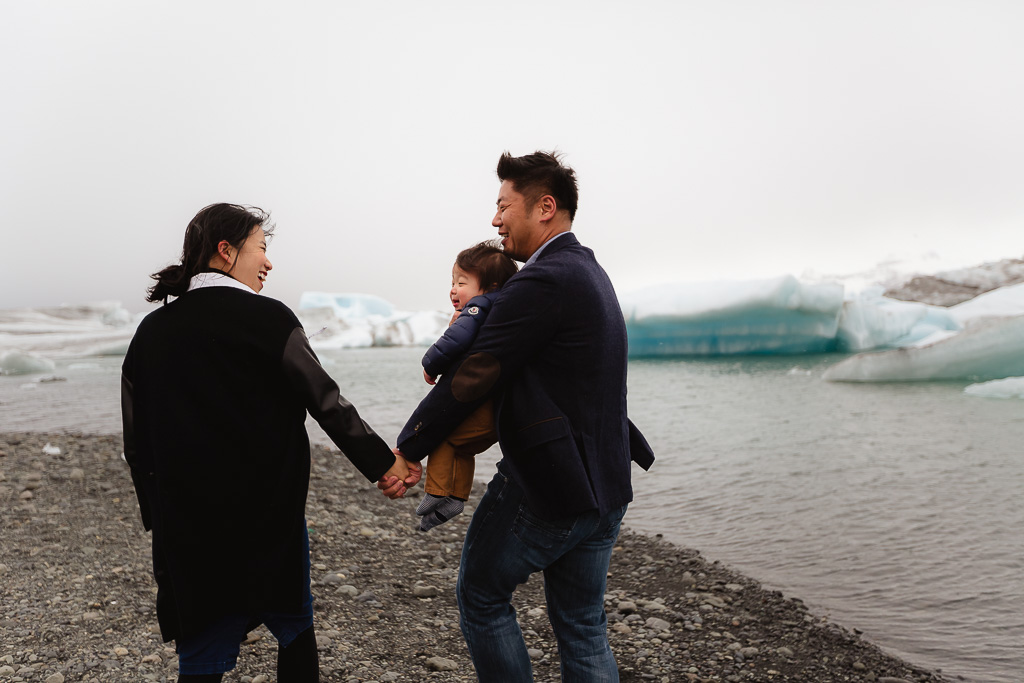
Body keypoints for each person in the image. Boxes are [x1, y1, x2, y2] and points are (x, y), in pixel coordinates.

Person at [382, 152, 655, 682]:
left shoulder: (544, 282)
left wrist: (408, 446)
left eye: (505, 206)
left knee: (482, 595)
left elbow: (473, 375)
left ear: (545, 208)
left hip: (551, 487)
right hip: (606, 483)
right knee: (582, 624)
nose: (495, 219)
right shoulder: (592, 274)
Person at [121, 203, 419, 683]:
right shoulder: (270, 319)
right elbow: (327, 402)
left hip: (189, 527)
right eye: (262, 247)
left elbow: (136, 443)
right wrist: (384, 464)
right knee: (293, 627)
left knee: (200, 652)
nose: (268, 261)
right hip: (269, 518)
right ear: (226, 251)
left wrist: (159, 516)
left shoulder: (150, 333)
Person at [416, 241, 518, 531]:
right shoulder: (502, 310)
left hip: (482, 406)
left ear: (490, 286)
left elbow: (454, 344)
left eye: (462, 282)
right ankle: (456, 498)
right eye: (452, 282)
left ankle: (436, 492)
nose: (453, 289)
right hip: (497, 412)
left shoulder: (476, 309)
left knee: (443, 437)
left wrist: (430, 364)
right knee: (463, 449)